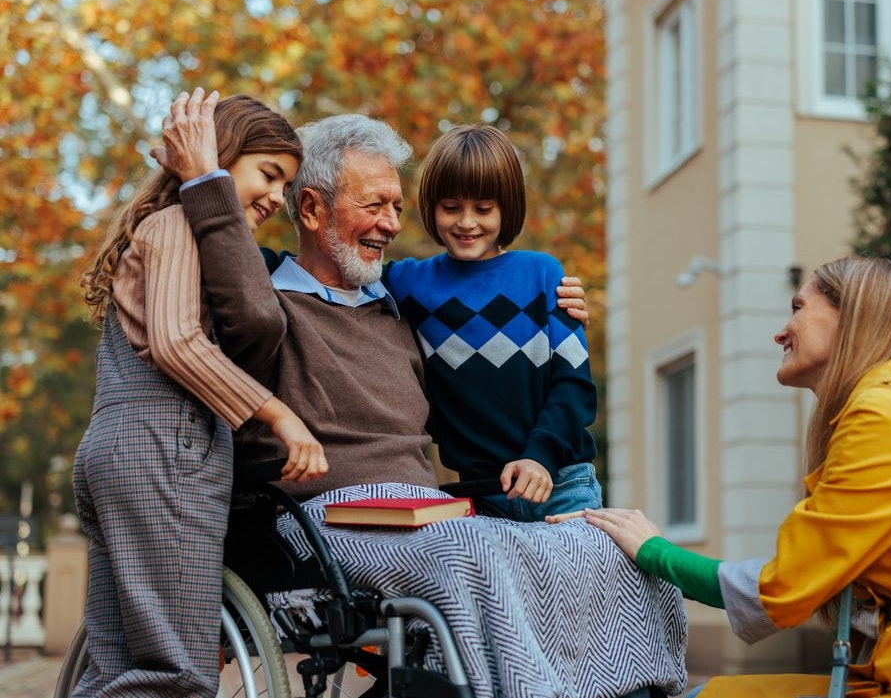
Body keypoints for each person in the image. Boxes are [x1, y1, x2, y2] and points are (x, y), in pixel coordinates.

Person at [155, 90, 686, 698]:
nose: (391, 225)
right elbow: (236, 275)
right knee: (470, 554)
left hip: (424, 508)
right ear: (310, 209)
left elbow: (488, 317)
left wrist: (559, 309)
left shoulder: (397, 301)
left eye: (398, 206)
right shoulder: (266, 299)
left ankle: (641, 689)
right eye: (374, 205)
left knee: (610, 549)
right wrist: (204, 178)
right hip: (324, 517)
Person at [552, 257, 891, 696]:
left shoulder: (881, 412)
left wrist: (654, 551)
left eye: (798, 309)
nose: (782, 331)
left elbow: (784, 587)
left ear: (852, 319)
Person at [73, 94, 328, 697]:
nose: (274, 197)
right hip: (165, 453)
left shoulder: (159, 228)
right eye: (268, 174)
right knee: (176, 672)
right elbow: (177, 343)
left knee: (115, 674)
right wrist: (279, 413)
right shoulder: (179, 225)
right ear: (221, 156)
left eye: (285, 186)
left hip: (116, 449)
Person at [385, 124, 599, 521]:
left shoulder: (543, 275)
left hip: (561, 484)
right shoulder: (407, 284)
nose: (467, 222)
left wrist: (540, 456)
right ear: (432, 207)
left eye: (483, 209)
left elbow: (575, 385)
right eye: (451, 207)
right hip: (479, 497)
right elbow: (326, 275)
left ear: (507, 207)